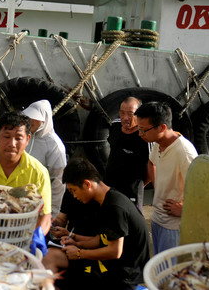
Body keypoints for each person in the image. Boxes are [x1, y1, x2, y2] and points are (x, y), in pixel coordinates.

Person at [43, 158, 151, 290]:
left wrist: (79, 253)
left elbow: (115, 251)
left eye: (73, 191)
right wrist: (75, 241)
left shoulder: (114, 207)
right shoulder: (105, 200)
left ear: (87, 184)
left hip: (122, 274)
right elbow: (101, 239)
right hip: (108, 264)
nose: (74, 196)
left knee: (61, 279)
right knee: (49, 256)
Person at [136, 102, 197, 254]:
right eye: (139, 129)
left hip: (174, 227)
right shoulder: (158, 142)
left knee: (171, 274)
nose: (140, 134)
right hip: (158, 219)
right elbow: (151, 163)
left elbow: (204, 190)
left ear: (162, 127)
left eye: (144, 130)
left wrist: (185, 209)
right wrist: (159, 187)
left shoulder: (184, 152)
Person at [22, 100, 67, 218]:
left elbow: (58, 182)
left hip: (41, 205)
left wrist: (52, 214)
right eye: (29, 117)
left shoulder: (54, 145)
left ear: (45, 120)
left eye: (35, 118)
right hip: (21, 201)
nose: (31, 121)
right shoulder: (26, 136)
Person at [103, 97, 149, 212]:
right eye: (122, 113)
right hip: (110, 186)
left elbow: (153, 165)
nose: (125, 118)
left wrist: (140, 185)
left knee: (131, 220)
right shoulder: (115, 125)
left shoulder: (145, 135)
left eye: (130, 114)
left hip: (132, 190)